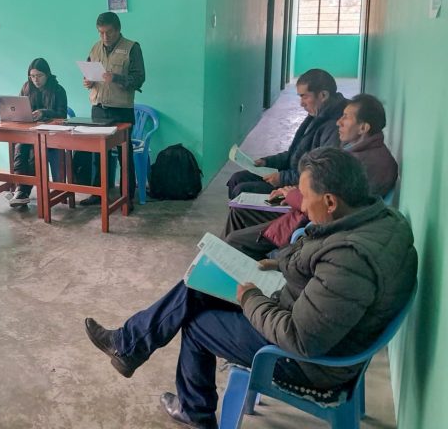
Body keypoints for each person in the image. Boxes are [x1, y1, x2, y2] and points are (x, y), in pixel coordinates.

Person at [85, 147, 417, 428]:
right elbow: (316, 258)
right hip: (303, 306)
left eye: (306, 198)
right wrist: (279, 263)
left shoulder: (350, 259)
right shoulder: (379, 220)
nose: (300, 207)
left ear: (330, 201)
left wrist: (250, 298)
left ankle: (194, 412)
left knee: (198, 325)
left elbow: (300, 339)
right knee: (199, 285)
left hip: (310, 361)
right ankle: (129, 344)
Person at [225, 93, 399, 259]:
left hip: (309, 222)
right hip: (304, 209)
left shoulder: (362, 162)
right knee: (238, 211)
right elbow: (324, 190)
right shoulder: (356, 150)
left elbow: (327, 207)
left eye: (346, 117)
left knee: (235, 239)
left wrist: (292, 194)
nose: (339, 122)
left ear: (363, 127)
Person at [227, 68, 346, 198]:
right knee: (236, 178)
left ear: (323, 95)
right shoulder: (317, 114)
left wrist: (283, 178)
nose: (301, 104)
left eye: (304, 96)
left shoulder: (335, 127)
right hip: (293, 174)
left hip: (302, 186)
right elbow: (296, 153)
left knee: (242, 190)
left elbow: (320, 174)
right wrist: (267, 162)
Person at [80, 12, 145, 210]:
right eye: (101, 33)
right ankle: (97, 193)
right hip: (98, 108)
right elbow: (89, 74)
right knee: (97, 154)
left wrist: (116, 78)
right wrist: (88, 82)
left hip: (121, 110)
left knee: (124, 154)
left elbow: (139, 79)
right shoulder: (95, 47)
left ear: (117, 30)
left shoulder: (132, 48)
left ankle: (127, 197)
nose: (104, 37)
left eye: (108, 32)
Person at [9, 58, 68, 207]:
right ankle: (20, 189)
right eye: (32, 76)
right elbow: (20, 108)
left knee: (35, 151)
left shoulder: (58, 90)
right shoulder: (26, 88)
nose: (36, 80)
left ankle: (22, 191)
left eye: (39, 76)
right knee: (19, 148)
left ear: (47, 74)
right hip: (30, 133)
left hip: (51, 135)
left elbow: (62, 115)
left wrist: (44, 113)